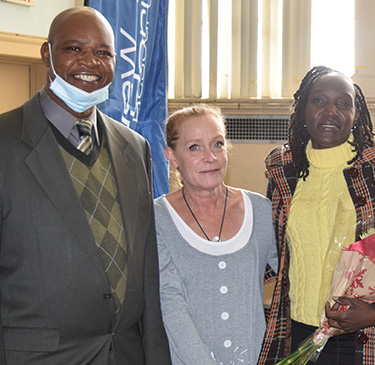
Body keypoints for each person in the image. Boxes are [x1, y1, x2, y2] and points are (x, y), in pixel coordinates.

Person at [0, 7, 170, 364]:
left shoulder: (135, 147)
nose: (90, 62)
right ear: (47, 53)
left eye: (103, 52)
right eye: (74, 49)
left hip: (124, 354)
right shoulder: (4, 142)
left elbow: (146, 269)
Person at [258, 66, 375, 364]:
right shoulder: (282, 168)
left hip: (368, 339)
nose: (331, 111)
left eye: (343, 103)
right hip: (298, 333)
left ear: (356, 113)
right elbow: (271, 253)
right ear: (301, 109)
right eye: (318, 101)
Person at [155, 104, 278, 364]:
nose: (210, 157)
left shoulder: (261, 211)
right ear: (172, 157)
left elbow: (294, 278)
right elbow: (170, 304)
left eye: (217, 144)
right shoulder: (156, 218)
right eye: (194, 147)